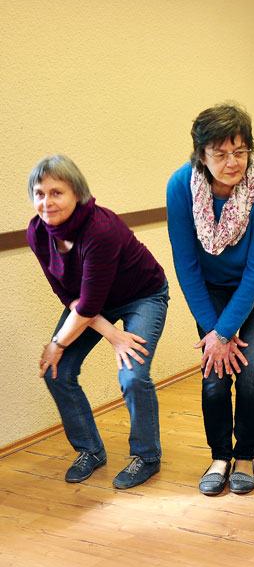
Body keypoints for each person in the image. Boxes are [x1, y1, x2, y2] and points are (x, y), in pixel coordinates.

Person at [28, 155, 169, 489]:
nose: (47, 202)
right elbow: (70, 297)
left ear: (77, 193)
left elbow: (89, 303)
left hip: (143, 294)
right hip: (91, 305)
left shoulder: (99, 229)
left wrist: (57, 343)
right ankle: (90, 450)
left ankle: (147, 456)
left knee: (133, 375)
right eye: (39, 193)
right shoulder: (37, 233)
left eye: (56, 192)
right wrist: (112, 336)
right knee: (56, 370)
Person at [167, 103, 254, 496]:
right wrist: (216, 334)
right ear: (201, 154)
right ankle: (220, 456)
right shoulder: (180, 186)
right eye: (220, 153)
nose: (232, 162)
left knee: (249, 370)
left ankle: (246, 456)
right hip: (210, 287)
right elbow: (186, 266)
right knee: (215, 372)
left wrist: (225, 331)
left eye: (240, 151)